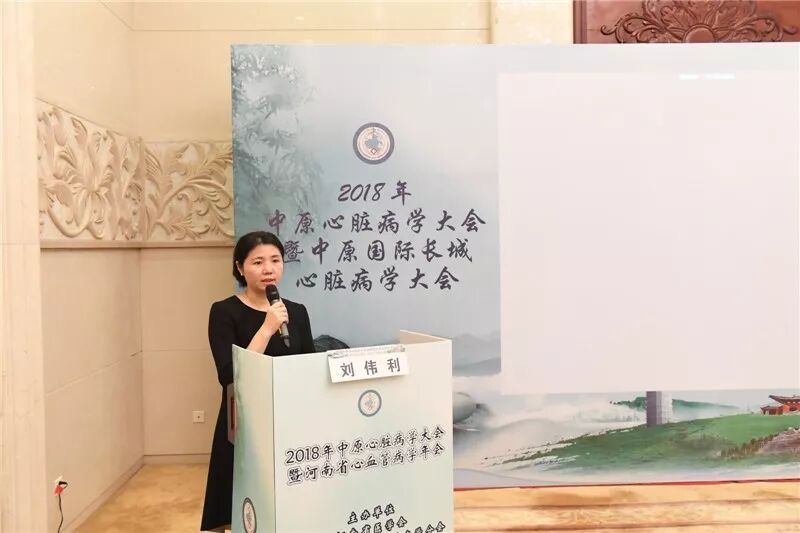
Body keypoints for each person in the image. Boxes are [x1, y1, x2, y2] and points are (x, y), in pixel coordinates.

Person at [201, 231, 315, 532]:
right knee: (243, 505)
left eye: (275, 260)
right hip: (244, 423)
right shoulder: (223, 312)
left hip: (288, 420)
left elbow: (308, 366)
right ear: (240, 268)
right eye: (258, 262)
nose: (268, 269)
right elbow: (230, 376)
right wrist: (266, 329)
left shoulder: (297, 311)